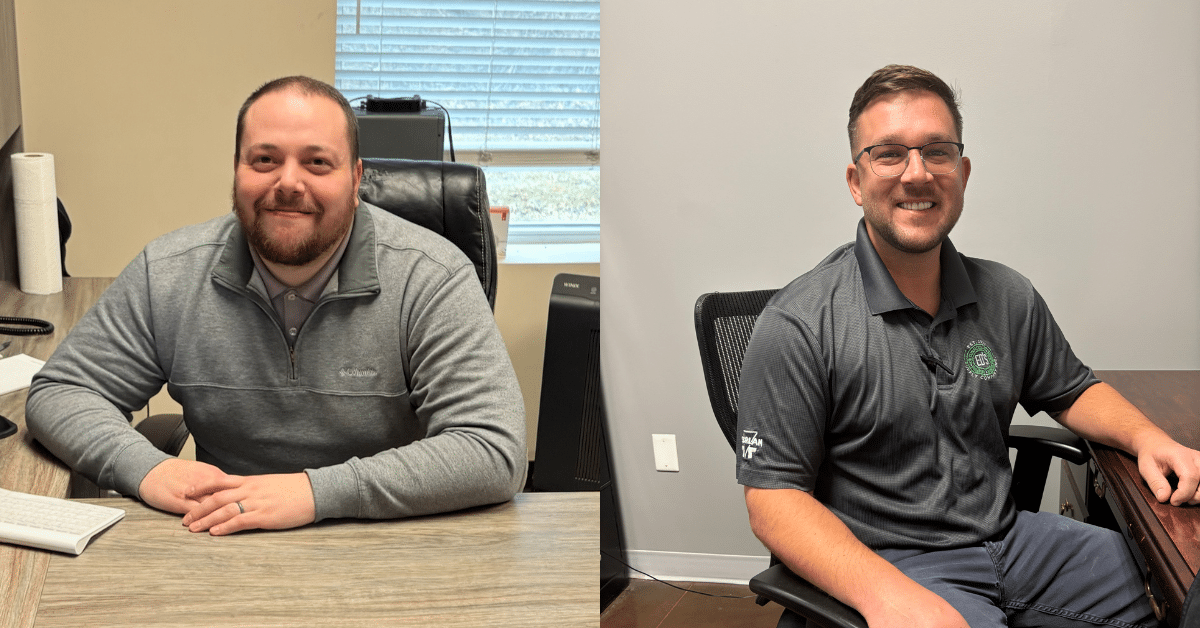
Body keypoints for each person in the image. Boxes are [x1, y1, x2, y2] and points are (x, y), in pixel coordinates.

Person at [736, 64, 1200, 628]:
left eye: (937, 152)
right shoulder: (799, 323)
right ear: (856, 182)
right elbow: (773, 500)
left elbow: (1072, 389)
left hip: (1011, 540)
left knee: (1182, 589)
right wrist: (885, 595)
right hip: (889, 561)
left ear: (962, 171)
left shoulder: (1007, 295)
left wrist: (1148, 437)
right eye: (888, 153)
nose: (917, 174)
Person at [26, 76, 526, 537]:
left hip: (387, 537)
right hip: (223, 535)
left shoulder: (431, 276)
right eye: (265, 160)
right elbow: (63, 392)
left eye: (317, 162)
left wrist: (314, 492)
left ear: (356, 181)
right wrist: (147, 466)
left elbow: (492, 449)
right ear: (237, 171)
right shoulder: (170, 271)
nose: (288, 183)